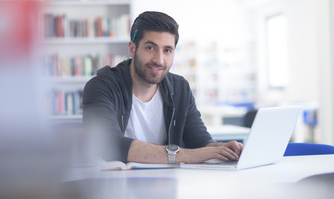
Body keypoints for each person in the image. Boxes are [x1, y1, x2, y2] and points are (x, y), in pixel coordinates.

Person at [82, 11, 243, 164]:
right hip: (117, 184)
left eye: (167, 50)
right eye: (150, 48)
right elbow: (108, 144)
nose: (159, 60)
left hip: (168, 184)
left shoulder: (180, 88)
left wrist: (222, 149)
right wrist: (186, 154)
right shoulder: (101, 86)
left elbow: (200, 142)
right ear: (132, 48)